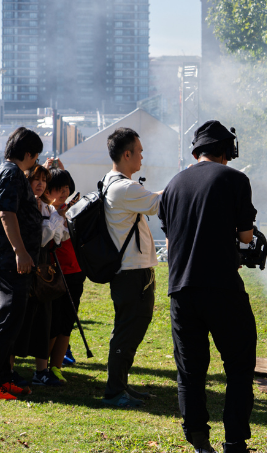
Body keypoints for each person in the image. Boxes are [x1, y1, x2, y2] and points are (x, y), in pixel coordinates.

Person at [159, 121, 257, 453]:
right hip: (223, 288)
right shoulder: (234, 179)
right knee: (239, 366)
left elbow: (172, 242)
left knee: (190, 369)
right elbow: (245, 236)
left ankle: (200, 442)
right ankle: (234, 442)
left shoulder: (173, 185)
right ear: (226, 151)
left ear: (197, 150)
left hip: (181, 289)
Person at [0, 127, 44, 401]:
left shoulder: (6, 172)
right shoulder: (12, 173)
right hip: (8, 260)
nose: (36, 163)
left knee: (10, 318)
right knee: (8, 318)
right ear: (28, 154)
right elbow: (7, 213)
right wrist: (20, 251)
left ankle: (2, 377)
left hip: (5, 259)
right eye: (35, 157)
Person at [100, 127, 161, 408]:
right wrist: (186, 182)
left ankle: (119, 385)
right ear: (127, 154)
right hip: (131, 273)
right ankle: (114, 391)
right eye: (139, 151)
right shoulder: (125, 188)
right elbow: (159, 202)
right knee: (128, 330)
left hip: (131, 271)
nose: (142, 156)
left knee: (129, 328)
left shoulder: (115, 183)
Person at [12, 164, 68, 387]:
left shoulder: (46, 208)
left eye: (44, 180)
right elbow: (41, 238)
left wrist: (57, 219)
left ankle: (41, 371)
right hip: (27, 265)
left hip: (44, 266)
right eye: (36, 179)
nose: (40, 184)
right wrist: (56, 221)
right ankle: (10, 368)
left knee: (44, 318)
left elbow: (58, 238)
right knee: (20, 318)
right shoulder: (24, 207)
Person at [47, 167, 82, 381]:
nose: (63, 192)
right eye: (58, 188)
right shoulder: (43, 211)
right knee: (52, 322)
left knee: (67, 322)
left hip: (75, 272)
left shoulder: (71, 211)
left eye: (66, 187)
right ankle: (43, 367)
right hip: (53, 273)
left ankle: (56, 367)